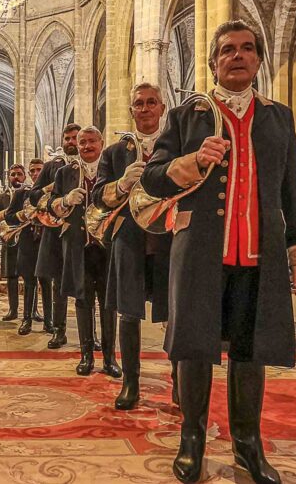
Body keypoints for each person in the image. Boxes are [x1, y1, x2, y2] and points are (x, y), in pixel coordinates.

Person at [141, 20, 296, 484]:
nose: (237, 56)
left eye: (246, 48)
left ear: (257, 59)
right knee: (195, 349)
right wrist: (193, 160)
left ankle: (248, 444)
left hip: (259, 253)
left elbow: (292, 188)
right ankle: (192, 440)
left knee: (249, 349)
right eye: (227, 50)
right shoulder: (187, 116)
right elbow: (152, 179)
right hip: (200, 252)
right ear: (213, 62)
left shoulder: (278, 116)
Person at [92, 82, 174, 410]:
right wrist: (123, 182)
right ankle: (131, 382)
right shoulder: (114, 153)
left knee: (174, 314)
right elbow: (98, 196)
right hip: (130, 241)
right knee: (127, 313)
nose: (145, 108)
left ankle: (180, 381)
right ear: (131, 110)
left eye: (151, 102)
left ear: (162, 109)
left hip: (168, 241)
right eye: (139, 103)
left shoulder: (176, 146)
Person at [50, 127, 120, 379]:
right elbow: (51, 205)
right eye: (82, 142)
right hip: (78, 245)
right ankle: (86, 356)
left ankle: (110, 358)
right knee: (82, 301)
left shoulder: (112, 168)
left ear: (101, 142)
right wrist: (66, 200)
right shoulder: (64, 173)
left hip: (107, 245)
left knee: (109, 303)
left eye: (92, 141)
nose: (87, 146)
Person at [31, 124, 81, 348]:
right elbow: (33, 196)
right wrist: (47, 189)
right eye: (67, 138)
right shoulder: (52, 166)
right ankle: (59, 330)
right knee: (59, 283)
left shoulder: (93, 165)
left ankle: (90, 336)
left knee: (86, 284)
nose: (71, 142)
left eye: (75, 138)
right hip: (56, 231)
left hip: (83, 233)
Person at [5, 158, 50, 335]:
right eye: (33, 170)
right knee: (29, 282)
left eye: (39, 169)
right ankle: (27, 319)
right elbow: (9, 217)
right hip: (28, 243)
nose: (36, 173)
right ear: (29, 174)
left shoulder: (51, 193)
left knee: (47, 282)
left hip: (46, 241)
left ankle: (49, 321)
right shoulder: (22, 193)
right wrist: (24, 215)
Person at [0, 164, 26, 321]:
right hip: (9, 239)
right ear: (8, 177)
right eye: (13, 174)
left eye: (19, 174)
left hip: (26, 239)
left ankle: (31, 311)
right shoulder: (2, 197)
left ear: (24, 176)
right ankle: (13, 309)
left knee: (29, 277)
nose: (16, 177)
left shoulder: (29, 194)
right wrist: (7, 213)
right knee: (12, 276)